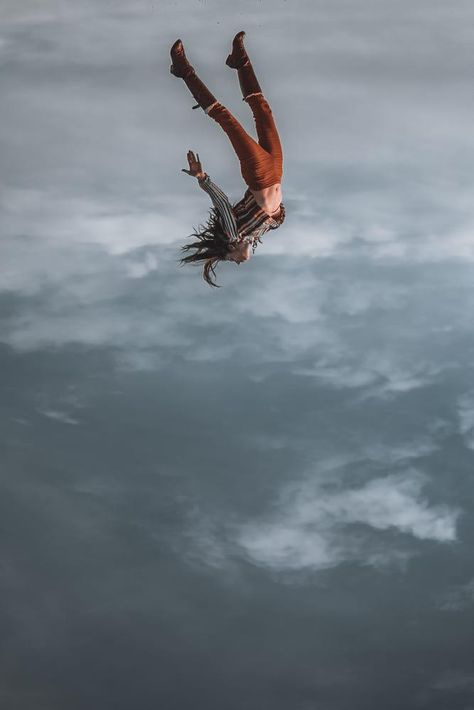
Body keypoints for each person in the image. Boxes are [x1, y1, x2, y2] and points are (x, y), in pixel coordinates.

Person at [170, 31, 286, 287]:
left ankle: (183, 71)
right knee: (263, 110)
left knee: (226, 118)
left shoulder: (233, 234)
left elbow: (221, 201)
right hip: (276, 172)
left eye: (232, 261)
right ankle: (239, 60)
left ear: (228, 250)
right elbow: (273, 215)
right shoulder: (255, 235)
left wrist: (202, 178)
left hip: (259, 175)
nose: (239, 262)